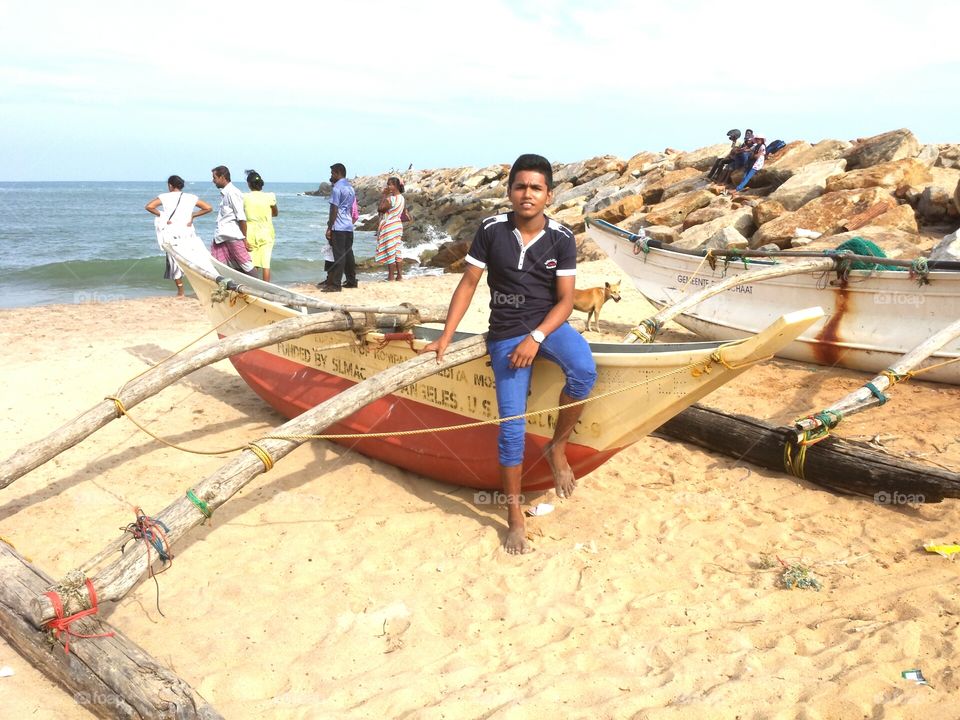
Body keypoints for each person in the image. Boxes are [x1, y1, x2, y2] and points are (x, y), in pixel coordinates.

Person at [423, 153, 597, 555]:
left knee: (584, 372)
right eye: (520, 187)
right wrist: (446, 337)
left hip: (548, 326)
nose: (527, 194)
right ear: (509, 192)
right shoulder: (490, 230)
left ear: (549, 195)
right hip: (504, 333)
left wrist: (535, 337)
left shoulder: (561, 236)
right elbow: (467, 285)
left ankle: (557, 448)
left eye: (536, 187)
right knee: (512, 431)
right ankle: (514, 515)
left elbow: (567, 300)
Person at [145, 175, 212, 296]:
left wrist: (163, 215)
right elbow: (208, 208)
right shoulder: (191, 197)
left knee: (174, 261)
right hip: (188, 232)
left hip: (172, 232)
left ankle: (181, 291)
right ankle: (204, 287)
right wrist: (193, 215)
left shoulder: (164, 197)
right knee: (194, 259)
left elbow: (149, 206)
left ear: (170, 185)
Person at [210, 166, 256, 276]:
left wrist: (244, 239)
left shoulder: (233, 193)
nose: (213, 180)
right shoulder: (226, 193)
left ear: (222, 177)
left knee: (245, 264)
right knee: (223, 265)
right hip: (221, 236)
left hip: (232, 236)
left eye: (214, 177)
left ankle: (258, 287)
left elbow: (241, 217)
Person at [321, 163, 358, 292]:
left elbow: (334, 209)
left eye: (332, 173)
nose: (331, 176)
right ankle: (352, 280)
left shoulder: (337, 188)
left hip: (339, 226)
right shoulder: (350, 188)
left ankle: (335, 284)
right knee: (348, 255)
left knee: (339, 256)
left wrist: (329, 227)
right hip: (348, 225)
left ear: (338, 173)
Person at [243, 170, 279, 282]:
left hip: (250, 232)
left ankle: (252, 286)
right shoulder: (270, 196)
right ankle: (266, 289)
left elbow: (240, 216)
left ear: (249, 184)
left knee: (253, 263)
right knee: (266, 263)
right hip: (267, 232)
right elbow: (275, 213)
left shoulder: (244, 197)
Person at [374, 176, 406, 281]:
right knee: (397, 250)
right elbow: (404, 214)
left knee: (390, 250)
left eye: (390, 184)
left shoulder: (390, 199)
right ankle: (400, 275)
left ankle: (391, 276)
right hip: (398, 225)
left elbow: (380, 209)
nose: (388, 186)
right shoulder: (402, 198)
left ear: (395, 186)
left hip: (390, 226)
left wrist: (384, 195)